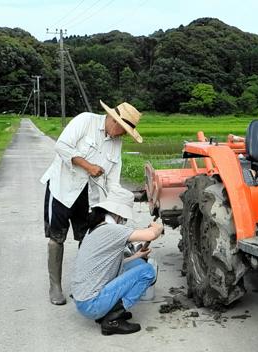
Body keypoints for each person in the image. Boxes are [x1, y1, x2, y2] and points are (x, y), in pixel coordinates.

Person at [40, 100, 143, 305]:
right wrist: (88, 166)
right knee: (56, 238)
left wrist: (125, 201)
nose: (121, 135)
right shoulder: (85, 121)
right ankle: (55, 287)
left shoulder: (116, 143)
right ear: (113, 119)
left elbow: (113, 180)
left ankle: (82, 284)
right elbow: (61, 146)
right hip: (62, 188)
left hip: (89, 196)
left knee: (87, 239)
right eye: (121, 130)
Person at [71, 187, 163, 335]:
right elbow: (150, 235)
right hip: (91, 304)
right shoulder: (111, 230)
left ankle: (109, 310)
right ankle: (112, 319)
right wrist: (157, 227)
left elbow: (110, 263)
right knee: (147, 271)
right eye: (124, 218)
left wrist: (137, 255)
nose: (124, 221)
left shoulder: (97, 227)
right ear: (118, 214)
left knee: (138, 264)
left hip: (84, 300)